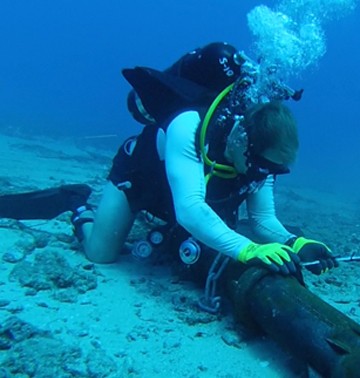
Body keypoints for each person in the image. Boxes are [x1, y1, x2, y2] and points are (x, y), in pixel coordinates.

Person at [67, 41, 337, 276]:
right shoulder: (189, 125)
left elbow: (263, 220)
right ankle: (78, 206)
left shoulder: (260, 164)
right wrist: (248, 249)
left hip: (183, 195)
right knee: (100, 253)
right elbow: (190, 209)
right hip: (142, 178)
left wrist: (296, 243)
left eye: (276, 169)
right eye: (265, 166)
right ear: (242, 141)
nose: (265, 174)